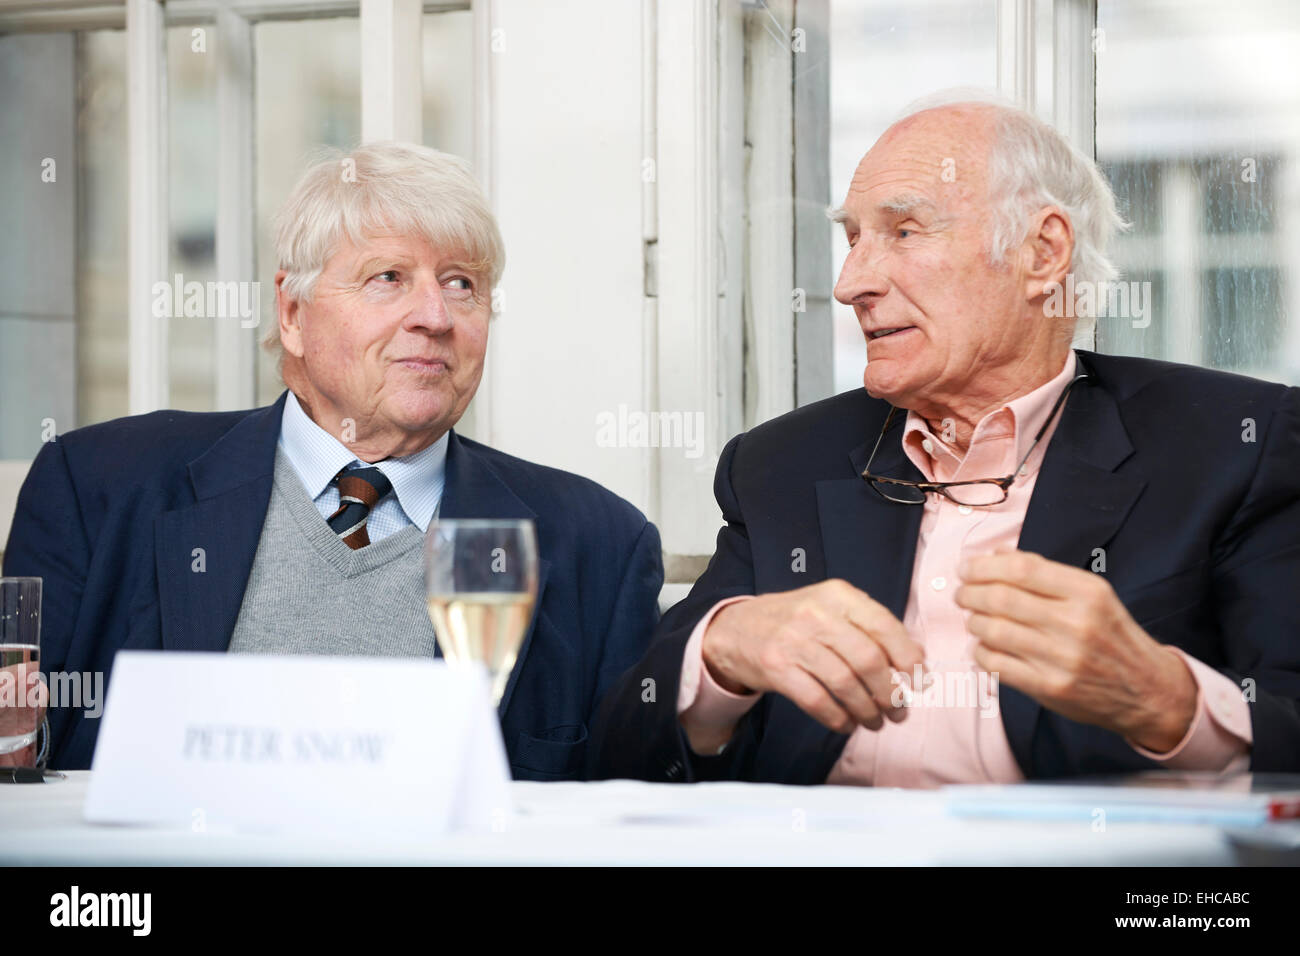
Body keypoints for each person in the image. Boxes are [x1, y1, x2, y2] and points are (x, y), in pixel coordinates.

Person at [590, 92, 1300, 785]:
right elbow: (620, 755)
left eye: (904, 231)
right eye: (853, 238)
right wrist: (722, 653)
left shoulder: (1235, 445)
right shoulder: (780, 464)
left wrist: (1167, 702)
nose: (850, 283)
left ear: (1043, 252)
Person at [3, 141, 663, 779]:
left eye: (462, 283)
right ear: (292, 312)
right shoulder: (96, 486)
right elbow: (24, 763)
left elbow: (634, 808)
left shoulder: (599, 544)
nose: (434, 315)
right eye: (388, 278)